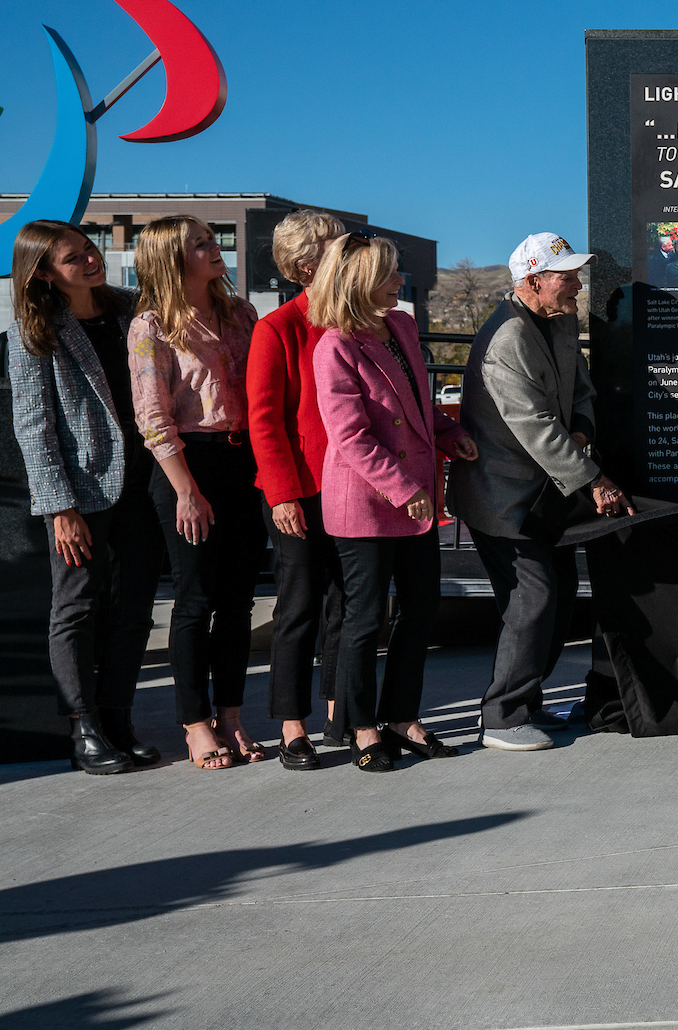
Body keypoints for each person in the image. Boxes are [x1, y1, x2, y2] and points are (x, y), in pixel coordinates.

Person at [453, 234, 632, 752]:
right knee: (533, 598)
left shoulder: (558, 320)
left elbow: (581, 390)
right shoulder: (506, 338)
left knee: (552, 594)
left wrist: (580, 430)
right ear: (532, 281)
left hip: (542, 495)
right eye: (567, 275)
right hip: (502, 499)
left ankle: (525, 701)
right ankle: (503, 717)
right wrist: (594, 478)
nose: (578, 284)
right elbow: (531, 426)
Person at [311, 234, 479, 772]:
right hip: (368, 502)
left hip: (416, 501)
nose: (399, 280)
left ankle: (402, 716)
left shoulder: (402, 326)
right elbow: (351, 436)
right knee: (363, 619)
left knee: (421, 608)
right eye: (389, 272)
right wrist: (405, 489)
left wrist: (450, 435)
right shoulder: (334, 345)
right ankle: (362, 728)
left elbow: (415, 405)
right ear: (360, 280)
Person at [2, 221, 163, 774]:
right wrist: (58, 507)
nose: (91, 261)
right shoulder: (36, 331)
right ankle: (84, 728)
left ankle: (118, 716)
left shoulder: (129, 309)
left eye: (90, 250)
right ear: (43, 272)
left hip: (144, 483)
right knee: (76, 607)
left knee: (136, 608)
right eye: (74, 259)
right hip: (82, 492)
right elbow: (33, 426)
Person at [129, 215, 268, 770]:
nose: (216, 249)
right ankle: (195, 724)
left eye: (214, 240)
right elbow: (152, 416)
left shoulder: (241, 313)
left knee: (238, 601)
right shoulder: (151, 326)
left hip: (243, 460)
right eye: (202, 244)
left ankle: (231, 717)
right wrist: (186, 490)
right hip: (186, 465)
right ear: (172, 258)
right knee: (194, 601)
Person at [246, 208, 351, 768]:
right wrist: (283, 494)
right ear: (307, 264)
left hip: (354, 486)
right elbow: (264, 419)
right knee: (300, 605)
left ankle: (341, 711)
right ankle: (292, 725)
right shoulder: (277, 327)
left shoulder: (354, 320)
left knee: (350, 601)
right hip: (300, 492)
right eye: (338, 246)